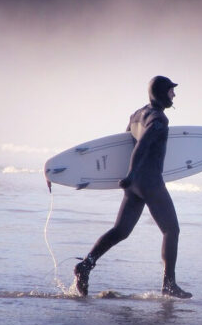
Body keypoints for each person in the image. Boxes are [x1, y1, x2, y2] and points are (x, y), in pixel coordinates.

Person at [73, 75, 192, 299]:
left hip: (134, 184)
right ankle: (169, 284)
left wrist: (129, 179)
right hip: (149, 181)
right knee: (171, 230)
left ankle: (86, 266)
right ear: (160, 92)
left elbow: (123, 143)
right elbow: (142, 145)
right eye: (171, 91)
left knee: (121, 231)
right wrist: (132, 174)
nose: (174, 95)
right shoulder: (158, 120)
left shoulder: (137, 115)